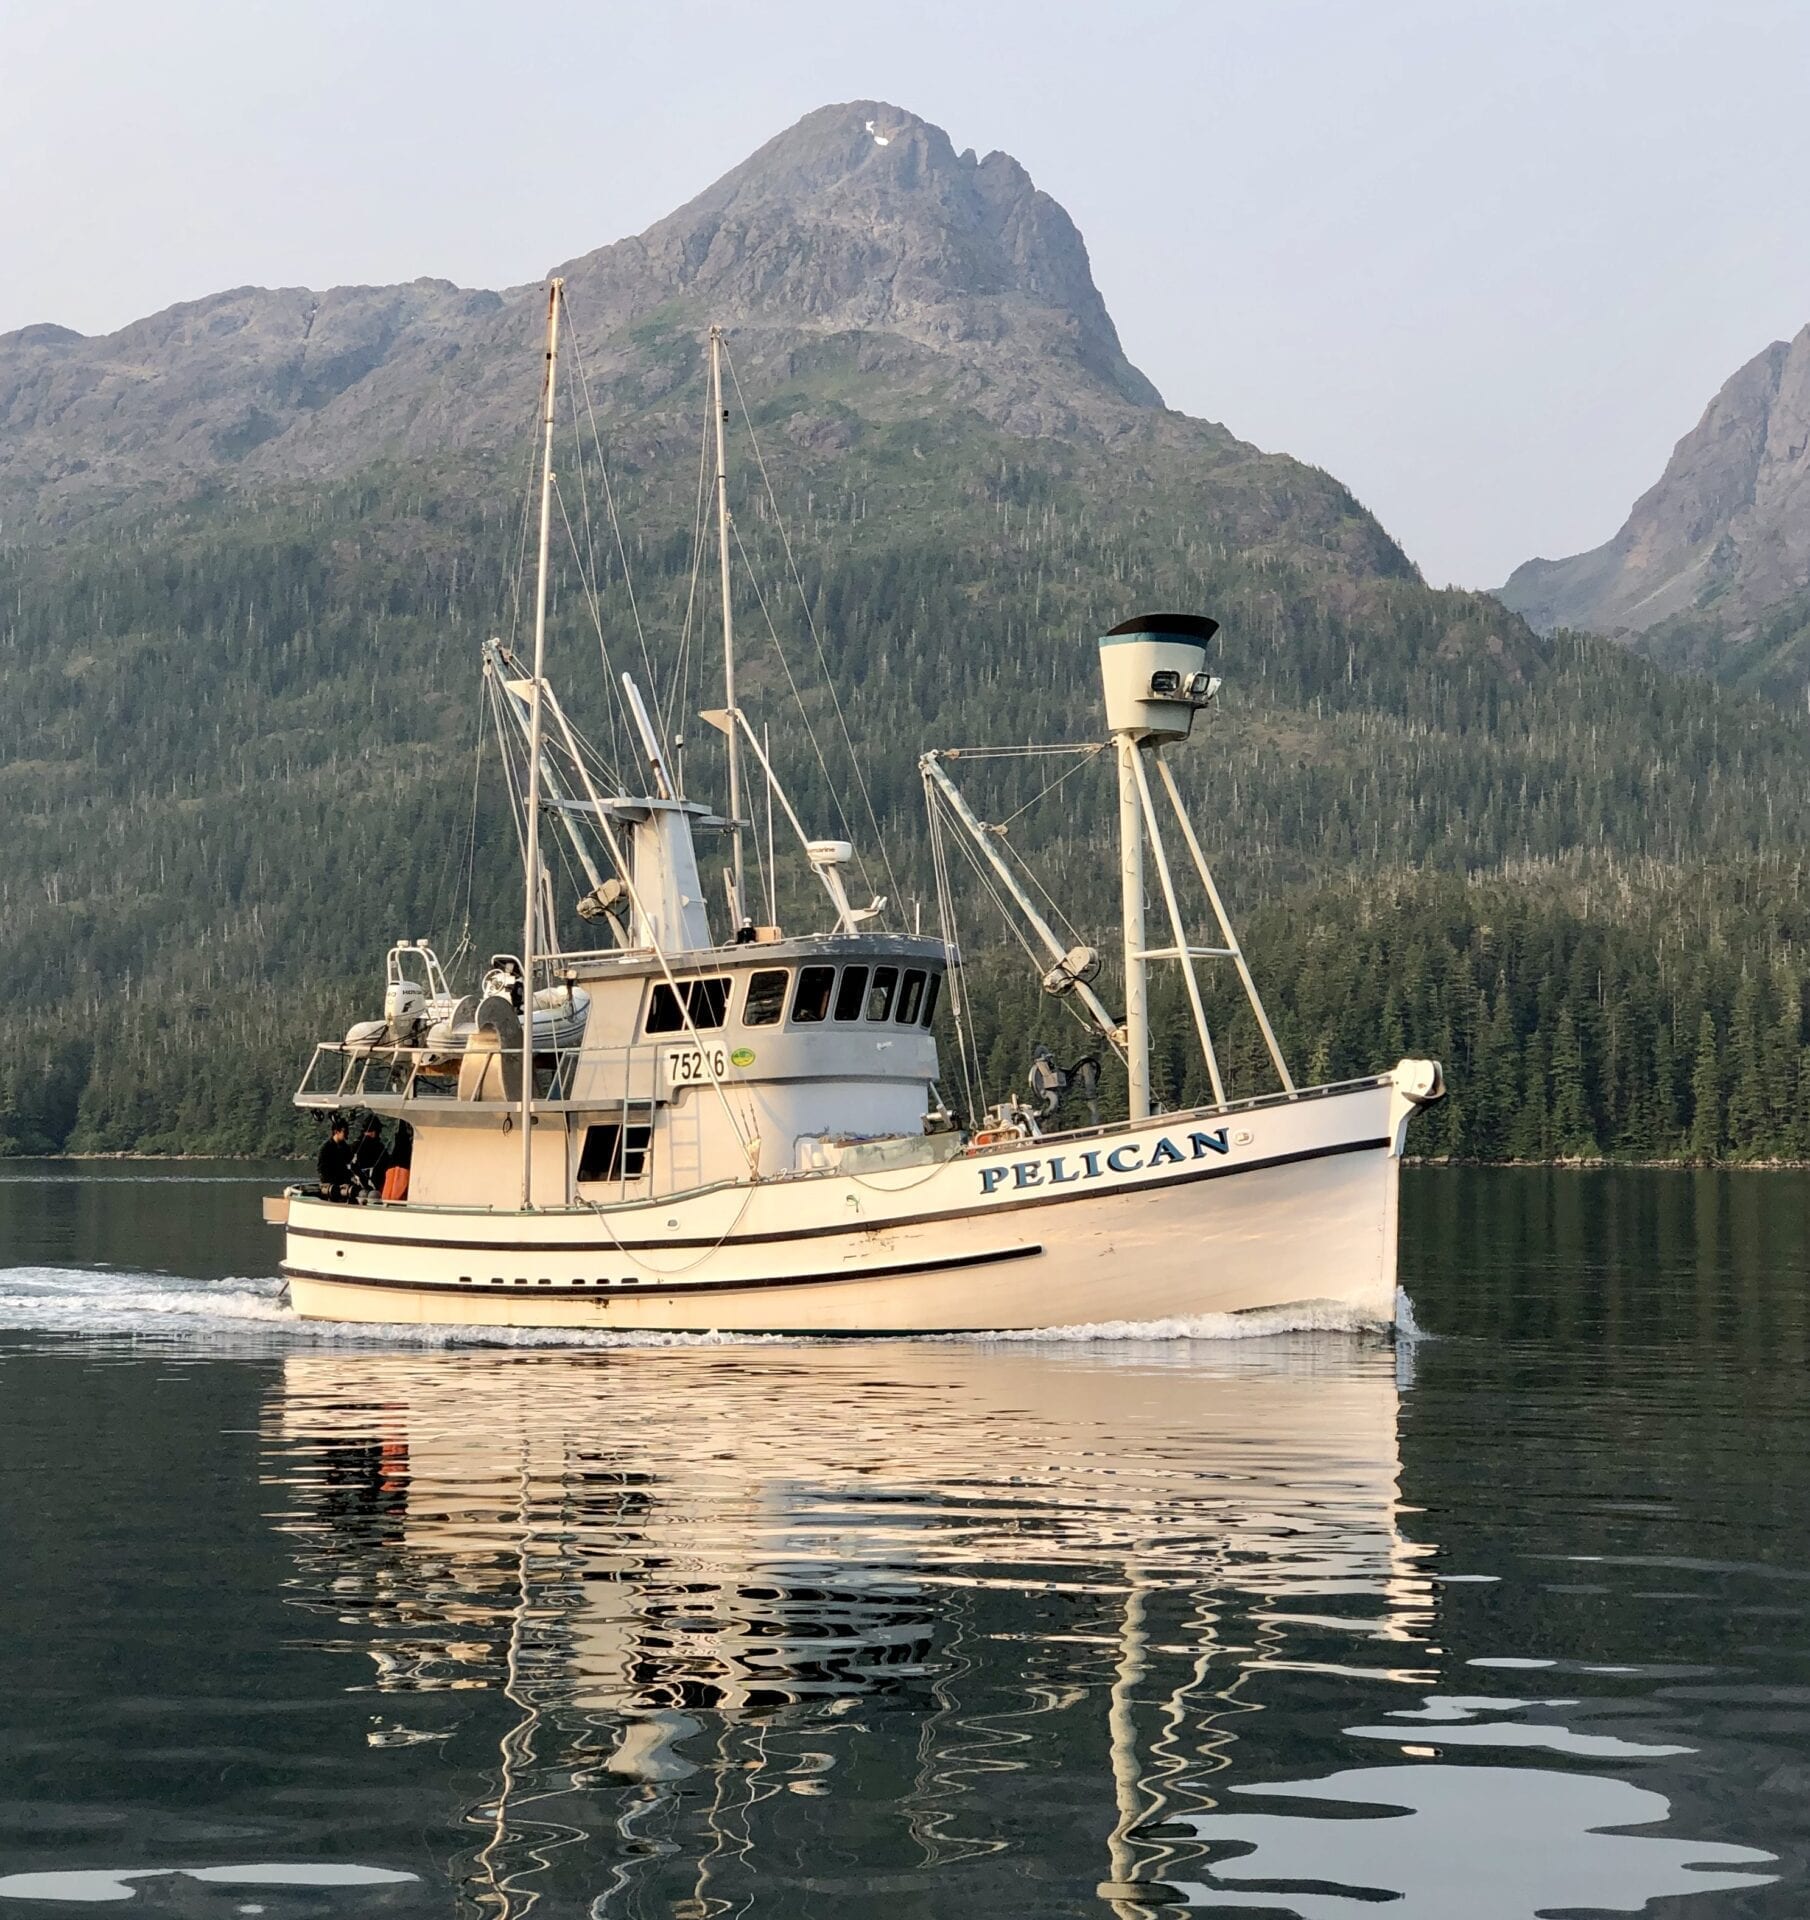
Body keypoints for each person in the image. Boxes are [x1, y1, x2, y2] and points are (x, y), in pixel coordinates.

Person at [317, 1119, 358, 1203]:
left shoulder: (345, 1147)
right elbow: (321, 1169)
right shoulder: (326, 1148)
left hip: (344, 1182)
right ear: (337, 1131)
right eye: (345, 1131)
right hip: (331, 1184)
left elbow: (349, 1162)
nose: (347, 1134)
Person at [352, 1117, 388, 1194]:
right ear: (373, 1131)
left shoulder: (355, 1145)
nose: (379, 1133)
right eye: (378, 1130)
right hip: (373, 1187)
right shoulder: (378, 1146)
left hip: (358, 1187)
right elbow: (387, 1162)